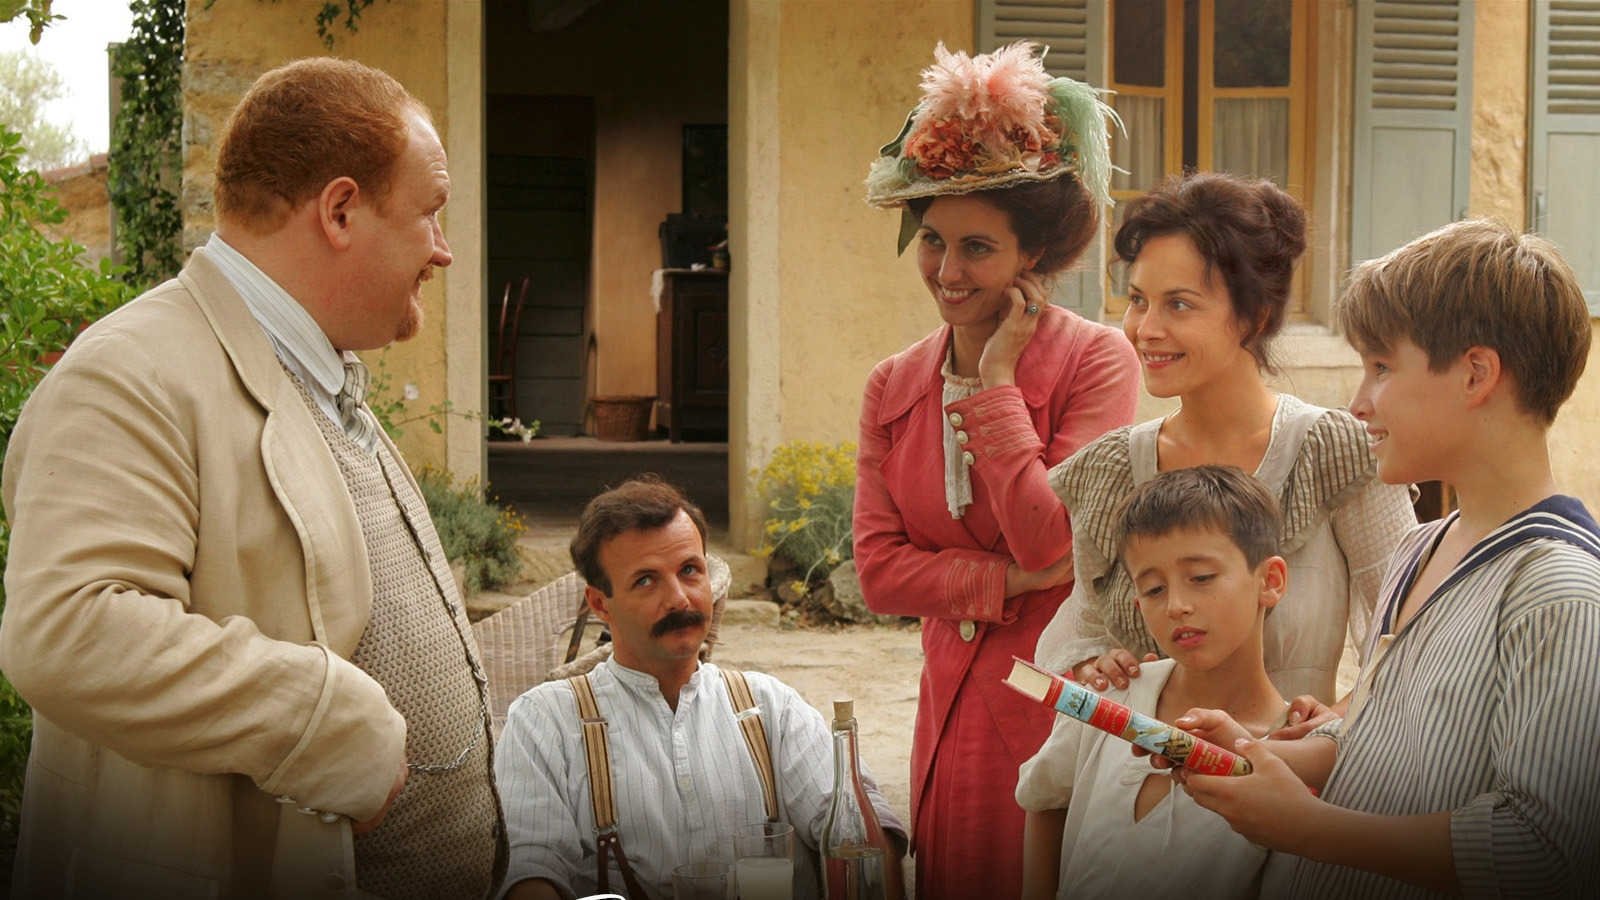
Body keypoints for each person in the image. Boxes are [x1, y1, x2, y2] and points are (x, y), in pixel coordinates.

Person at [0, 58, 502, 898]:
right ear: (340, 211)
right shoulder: (128, 373)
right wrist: (324, 724)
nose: (442, 250)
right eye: (430, 213)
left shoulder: (316, 369)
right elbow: (66, 631)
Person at [1170, 220, 1600, 897]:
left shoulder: (1560, 590)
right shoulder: (1419, 547)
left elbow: (1544, 850)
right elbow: (1381, 740)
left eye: (1381, 368)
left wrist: (1306, 827)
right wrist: (1260, 755)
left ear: (1476, 374)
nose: (1358, 404)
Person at [854, 42, 1141, 898]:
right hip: (946, 707)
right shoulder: (892, 384)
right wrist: (1007, 581)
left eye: (976, 247)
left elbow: (1052, 535)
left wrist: (998, 384)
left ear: (1032, 255)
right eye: (932, 241)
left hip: (1052, 700)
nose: (947, 272)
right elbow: (878, 573)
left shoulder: (1099, 363)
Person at [1035, 171, 1417, 714]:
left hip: (1293, 765)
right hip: (1138, 767)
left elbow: (1408, 635)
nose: (1145, 328)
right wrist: (1094, 665)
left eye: (1179, 304)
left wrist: (1325, 730)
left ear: (1253, 317)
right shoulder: (1110, 469)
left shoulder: (1336, 454)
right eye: (1139, 300)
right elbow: (1080, 633)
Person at [495, 478, 906, 900]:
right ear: (600, 604)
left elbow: (865, 834)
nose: (679, 598)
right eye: (646, 581)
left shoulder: (770, 707)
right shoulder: (546, 721)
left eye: (689, 570)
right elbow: (529, 871)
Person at [1016, 465, 1291, 899]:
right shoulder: (1110, 697)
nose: (1177, 606)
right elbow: (1046, 801)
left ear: (1270, 582)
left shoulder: (1290, 754)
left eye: (1201, 578)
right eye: (1154, 589)